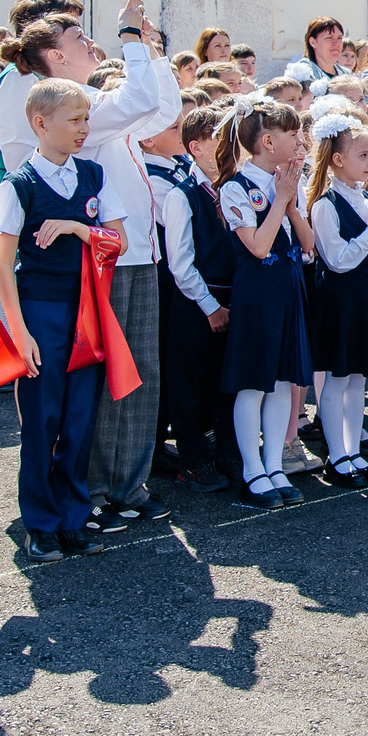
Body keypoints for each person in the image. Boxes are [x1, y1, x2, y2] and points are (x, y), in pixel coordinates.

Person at [0, 0, 180, 527]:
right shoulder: (70, 109)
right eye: (79, 37)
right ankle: (92, 486)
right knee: (100, 381)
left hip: (135, 248)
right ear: (55, 56)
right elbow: (141, 100)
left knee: (140, 372)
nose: (92, 43)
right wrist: (130, 38)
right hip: (102, 258)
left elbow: (162, 110)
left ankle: (127, 482)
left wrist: (152, 49)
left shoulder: (95, 100)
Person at [0, 78, 131, 559]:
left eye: (86, 118)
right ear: (40, 123)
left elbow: (119, 242)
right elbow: (2, 268)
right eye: (74, 119)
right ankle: (40, 522)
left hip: (87, 312)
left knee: (79, 419)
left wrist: (77, 227)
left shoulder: (93, 174)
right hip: (41, 313)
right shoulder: (17, 186)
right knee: (41, 420)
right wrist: (19, 332)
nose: (83, 127)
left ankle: (73, 516)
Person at [212, 98, 317, 510]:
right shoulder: (236, 187)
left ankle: (274, 465)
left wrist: (290, 203)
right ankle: (253, 469)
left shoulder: (288, 182)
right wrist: (279, 200)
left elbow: (308, 244)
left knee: (282, 381)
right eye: (293, 135)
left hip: (288, 287)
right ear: (268, 142)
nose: (300, 142)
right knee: (254, 382)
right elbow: (257, 246)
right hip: (257, 293)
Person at [306, 115, 368, 488]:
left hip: (366, 298)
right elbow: (338, 260)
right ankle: (337, 456)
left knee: (359, 378)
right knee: (337, 377)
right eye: (362, 155)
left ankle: (353, 450)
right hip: (339, 301)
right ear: (338, 159)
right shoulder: (325, 205)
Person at [151, 105, 233, 490]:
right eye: (219, 138)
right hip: (197, 302)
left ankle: (226, 452)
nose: (229, 145)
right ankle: (192, 461)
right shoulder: (181, 195)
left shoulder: (234, 188)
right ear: (196, 148)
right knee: (189, 382)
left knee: (224, 382)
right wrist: (210, 307)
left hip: (231, 299)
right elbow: (181, 263)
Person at [283, 17, 357, 90]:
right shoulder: (302, 73)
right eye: (329, 37)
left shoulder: (347, 74)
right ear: (313, 42)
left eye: (339, 38)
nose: (336, 43)